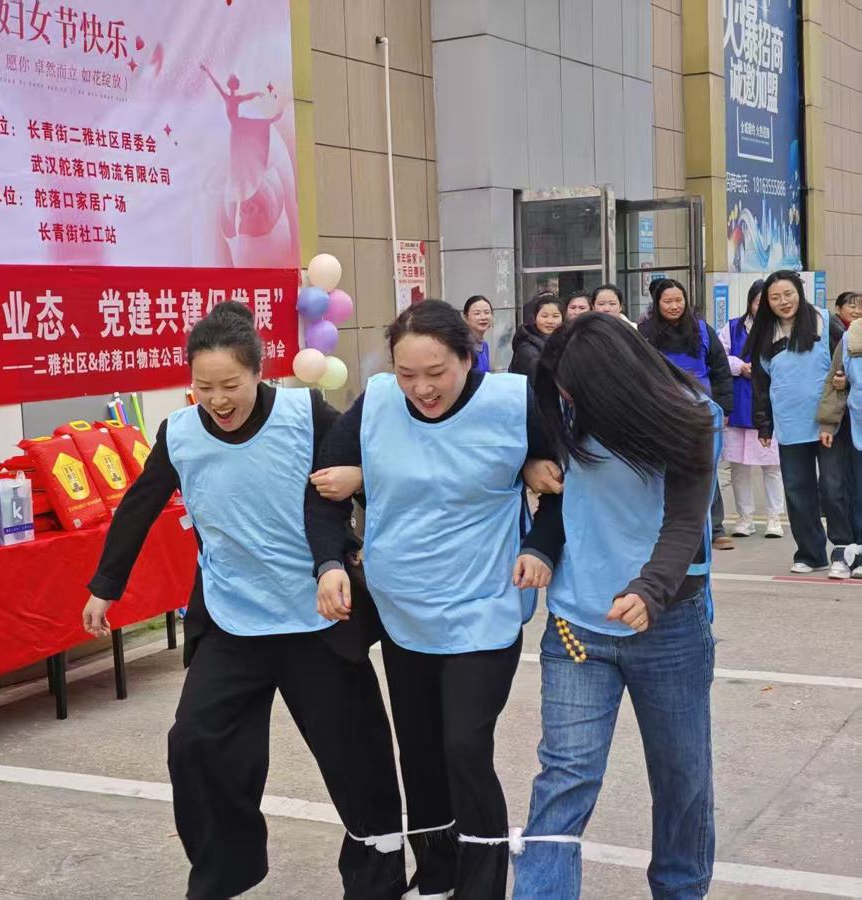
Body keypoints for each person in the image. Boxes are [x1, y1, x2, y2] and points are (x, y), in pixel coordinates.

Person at [82, 303, 406, 899]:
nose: (217, 399)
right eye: (203, 387)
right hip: (233, 622)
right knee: (195, 743)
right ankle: (222, 873)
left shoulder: (304, 414)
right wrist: (106, 585)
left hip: (315, 620)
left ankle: (377, 881)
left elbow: (370, 470)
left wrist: (357, 546)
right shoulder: (181, 433)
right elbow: (140, 504)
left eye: (230, 384)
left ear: (259, 371)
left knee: (358, 760)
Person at [309, 299, 563, 899]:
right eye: (407, 374)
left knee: (464, 746)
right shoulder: (377, 402)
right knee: (420, 750)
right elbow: (322, 491)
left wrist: (541, 548)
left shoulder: (511, 402)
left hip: (483, 605)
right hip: (404, 610)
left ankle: (481, 886)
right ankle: (437, 876)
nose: (421, 388)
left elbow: (559, 486)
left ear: (468, 358)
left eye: (436, 372)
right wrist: (329, 562)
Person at [513, 313, 720, 900]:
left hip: (669, 623)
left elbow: (685, 521)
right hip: (576, 628)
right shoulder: (566, 408)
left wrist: (648, 590)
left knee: (682, 777)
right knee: (565, 779)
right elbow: (563, 497)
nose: (570, 403)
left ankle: (680, 891)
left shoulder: (692, 416)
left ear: (617, 385)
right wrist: (538, 543)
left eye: (578, 395)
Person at [747, 270, 852, 577]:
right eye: (775, 297)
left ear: (799, 292)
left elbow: (848, 360)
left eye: (788, 294)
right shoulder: (765, 333)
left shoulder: (823, 320)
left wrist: (846, 380)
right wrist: (764, 424)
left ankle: (843, 550)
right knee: (797, 491)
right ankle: (810, 553)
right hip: (789, 424)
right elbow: (761, 383)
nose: (783, 302)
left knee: (833, 488)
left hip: (828, 424)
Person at [638, 278, 735, 550]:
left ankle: (715, 527)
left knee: (706, 467)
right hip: (662, 412)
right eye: (667, 301)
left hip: (700, 411)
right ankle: (666, 527)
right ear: (657, 304)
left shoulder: (702, 330)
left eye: (678, 300)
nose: (674, 306)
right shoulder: (645, 333)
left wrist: (724, 408)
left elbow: (721, 370)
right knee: (664, 468)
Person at [719, 280, 784, 538]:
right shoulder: (732, 327)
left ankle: (774, 517)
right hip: (739, 405)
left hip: (769, 406)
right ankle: (745, 518)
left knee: (772, 466)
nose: (763, 307)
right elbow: (718, 357)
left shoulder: (781, 328)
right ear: (750, 302)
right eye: (759, 302)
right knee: (739, 467)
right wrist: (739, 366)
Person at [817, 315, 862, 575]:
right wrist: (827, 423)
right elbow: (834, 381)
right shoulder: (851, 337)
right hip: (854, 426)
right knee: (850, 491)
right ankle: (851, 550)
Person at [510, 293, 564, 380]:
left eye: (555, 316)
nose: (550, 321)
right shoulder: (527, 348)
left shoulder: (566, 340)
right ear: (535, 318)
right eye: (544, 316)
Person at [464, 294, 494, 373]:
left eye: (487, 312)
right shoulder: (463, 347)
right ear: (466, 318)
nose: (483, 317)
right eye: (477, 313)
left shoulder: (484, 345)